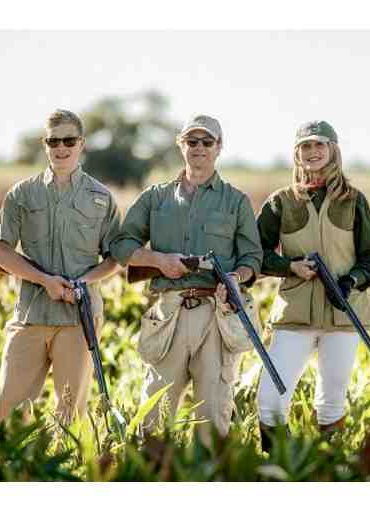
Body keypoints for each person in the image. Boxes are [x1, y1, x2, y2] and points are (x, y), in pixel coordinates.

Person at [111, 114, 263, 446]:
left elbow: (253, 257)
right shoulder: (155, 198)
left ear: (219, 147)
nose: (199, 148)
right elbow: (121, 246)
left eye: (207, 142)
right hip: (169, 313)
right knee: (154, 416)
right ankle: (151, 471)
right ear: (181, 145)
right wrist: (159, 261)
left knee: (213, 417)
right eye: (192, 141)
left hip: (217, 314)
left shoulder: (236, 201)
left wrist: (236, 277)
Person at [255, 120, 370, 451]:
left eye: (319, 145)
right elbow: (255, 255)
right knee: (270, 400)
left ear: (332, 150)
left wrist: (351, 280)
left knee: (332, 403)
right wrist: (290, 267)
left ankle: (329, 466)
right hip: (294, 314)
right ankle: (279, 465)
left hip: (344, 314)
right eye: (305, 146)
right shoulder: (281, 201)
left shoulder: (354, 200)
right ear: (297, 153)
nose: (312, 152)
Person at [0, 109, 121, 425]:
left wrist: (82, 283)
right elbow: (1, 252)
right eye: (53, 141)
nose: (61, 148)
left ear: (81, 143)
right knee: (8, 411)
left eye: (69, 141)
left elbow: (115, 259)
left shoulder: (102, 197)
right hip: (31, 314)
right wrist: (45, 280)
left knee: (70, 415)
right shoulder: (22, 193)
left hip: (79, 319)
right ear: (44, 144)